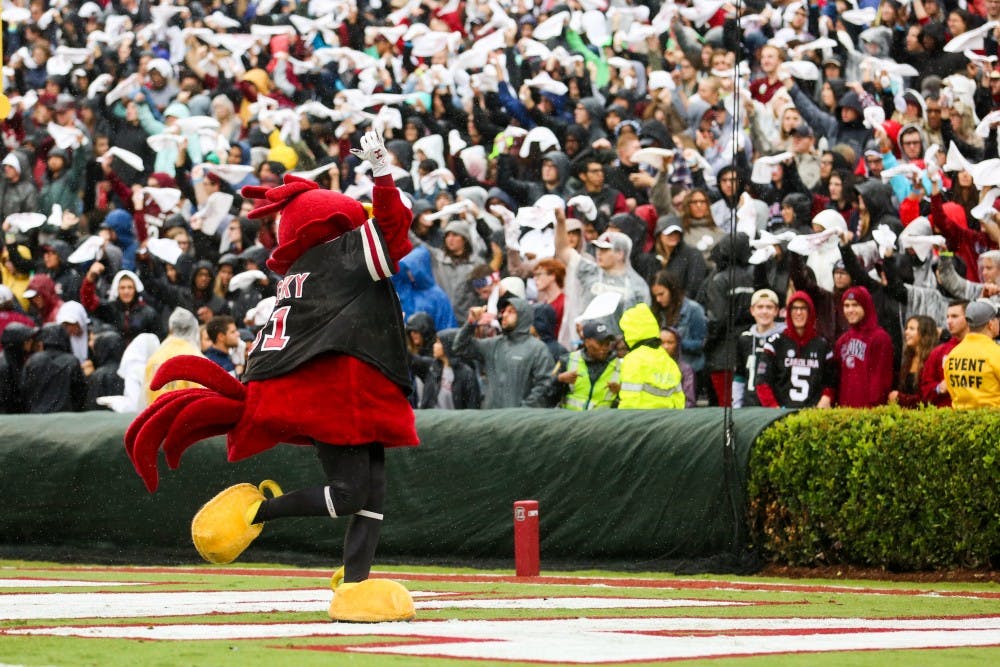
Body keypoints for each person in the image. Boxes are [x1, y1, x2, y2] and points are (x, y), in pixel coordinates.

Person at [127, 130, 418, 623]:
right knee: (352, 494)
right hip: (334, 393)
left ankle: (354, 585)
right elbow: (392, 227)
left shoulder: (299, 272)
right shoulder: (338, 256)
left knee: (372, 495)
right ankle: (256, 513)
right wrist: (382, 174)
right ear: (327, 222)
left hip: (337, 388)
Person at [454, 297, 554, 408]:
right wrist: (471, 323)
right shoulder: (493, 344)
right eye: (504, 311)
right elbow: (459, 347)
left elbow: (545, 385)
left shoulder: (537, 349)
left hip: (519, 421)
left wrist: (524, 411)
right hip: (491, 418)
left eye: (511, 311)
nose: (505, 315)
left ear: (523, 316)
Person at [755, 291, 836, 409]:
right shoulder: (775, 343)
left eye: (803, 308)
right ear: (788, 312)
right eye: (795, 308)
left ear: (810, 312)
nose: (799, 313)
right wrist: (773, 409)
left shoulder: (822, 345)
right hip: (781, 414)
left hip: (812, 415)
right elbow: (762, 382)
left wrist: (826, 398)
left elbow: (831, 381)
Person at [834, 286, 895, 407]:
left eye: (855, 305)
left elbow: (880, 382)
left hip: (868, 415)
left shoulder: (880, 338)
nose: (850, 310)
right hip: (843, 412)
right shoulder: (842, 341)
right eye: (846, 306)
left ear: (865, 306)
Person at [617, 303, 685, 409]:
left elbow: (629, 401)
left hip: (642, 421)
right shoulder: (668, 360)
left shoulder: (633, 359)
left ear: (631, 333)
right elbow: (679, 399)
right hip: (668, 421)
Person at [732, 289, 785, 408]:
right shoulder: (745, 339)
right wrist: (736, 404)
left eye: (769, 307)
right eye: (760, 307)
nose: (764, 311)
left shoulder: (783, 339)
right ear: (752, 310)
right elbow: (739, 375)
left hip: (774, 405)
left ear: (776, 311)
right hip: (749, 405)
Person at [944, 300, 1000, 409]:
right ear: (991, 324)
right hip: (994, 421)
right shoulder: (996, 353)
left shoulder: (952, 355)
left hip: (961, 422)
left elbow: (952, 393)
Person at [21, 323, 87, 413]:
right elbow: (80, 391)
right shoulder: (72, 361)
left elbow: (25, 389)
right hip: (65, 415)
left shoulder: (33, 360)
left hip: (37, 416)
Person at [144, 307, 205, 406]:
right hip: (183, 418)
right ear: (194, 328)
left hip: (156, 416)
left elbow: (146, 396)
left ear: (170, 328)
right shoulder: (196, 358)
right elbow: (202, 400)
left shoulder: (155, 356)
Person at [555, 320, 621, 410]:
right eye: (600, 343)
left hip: (601, 423)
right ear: (587, 342)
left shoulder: (620, 366)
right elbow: (547, 394)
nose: (605, 348)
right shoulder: (567, 360)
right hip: (571, 422)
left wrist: (621, 391)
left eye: (608, 344)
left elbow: (628, 402)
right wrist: (559, 380)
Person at [409, 329, 481, 409]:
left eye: (438, 342)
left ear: (447, 345)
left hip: (454, 420)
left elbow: (473, 407)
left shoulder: (467, 374)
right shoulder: (431, 367)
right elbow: (409, 358)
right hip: (432, 420)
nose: (434, 345)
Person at [920, 301, 968, 408]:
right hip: (945, 418)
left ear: (968, 318)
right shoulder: (939, 352)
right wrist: (939, 387)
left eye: (954, 316)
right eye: (948, 317)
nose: (949, 321)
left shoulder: (982, 349)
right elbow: (925, 389)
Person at [888, 316, 939, 407]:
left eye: (911, 329)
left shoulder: (932, 359)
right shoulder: (909, 358)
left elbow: (928, 397)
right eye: (906, 328)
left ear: (925, 333)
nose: (906, 332)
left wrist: (900, 398)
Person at [0, 322, 36, 414]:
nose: (31, 342)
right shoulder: (5, 365)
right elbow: (7, 400)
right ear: (18, 343)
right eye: (27, 340)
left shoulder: (16, 360)